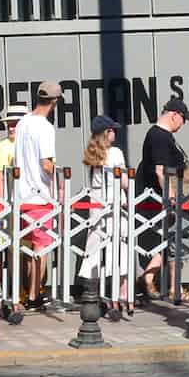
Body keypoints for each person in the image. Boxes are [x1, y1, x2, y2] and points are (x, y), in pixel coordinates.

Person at [134, 98, 189, 305]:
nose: (183, 125)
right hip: (164, 198)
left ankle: (149, 278)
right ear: (174, 115)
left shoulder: (162, 136)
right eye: (183, 120)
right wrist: (172, 198)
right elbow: (160, 171)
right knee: (177, 240)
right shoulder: (159, 137)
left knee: (171, 241)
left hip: (167, 196)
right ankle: (175, 288)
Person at [13, 82, 61, 309]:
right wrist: (59, 179)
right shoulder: (45, 127)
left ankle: (26, 293)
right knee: (41, 249)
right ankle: (34, 295)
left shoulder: (22, 123)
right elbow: (46, 163)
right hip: (40, 196)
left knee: (28, 247)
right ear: (55, 101)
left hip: (21, 195)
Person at [78, 116, 131, 315]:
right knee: (121, 245)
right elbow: (124, 182)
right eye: (112, 130)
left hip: (97, 206)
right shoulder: (115, 153)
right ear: (106, 133)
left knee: (96, 246)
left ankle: (93, 291)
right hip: (115, 204)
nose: (115, 133)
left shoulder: (93, 153)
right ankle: (122, 293)